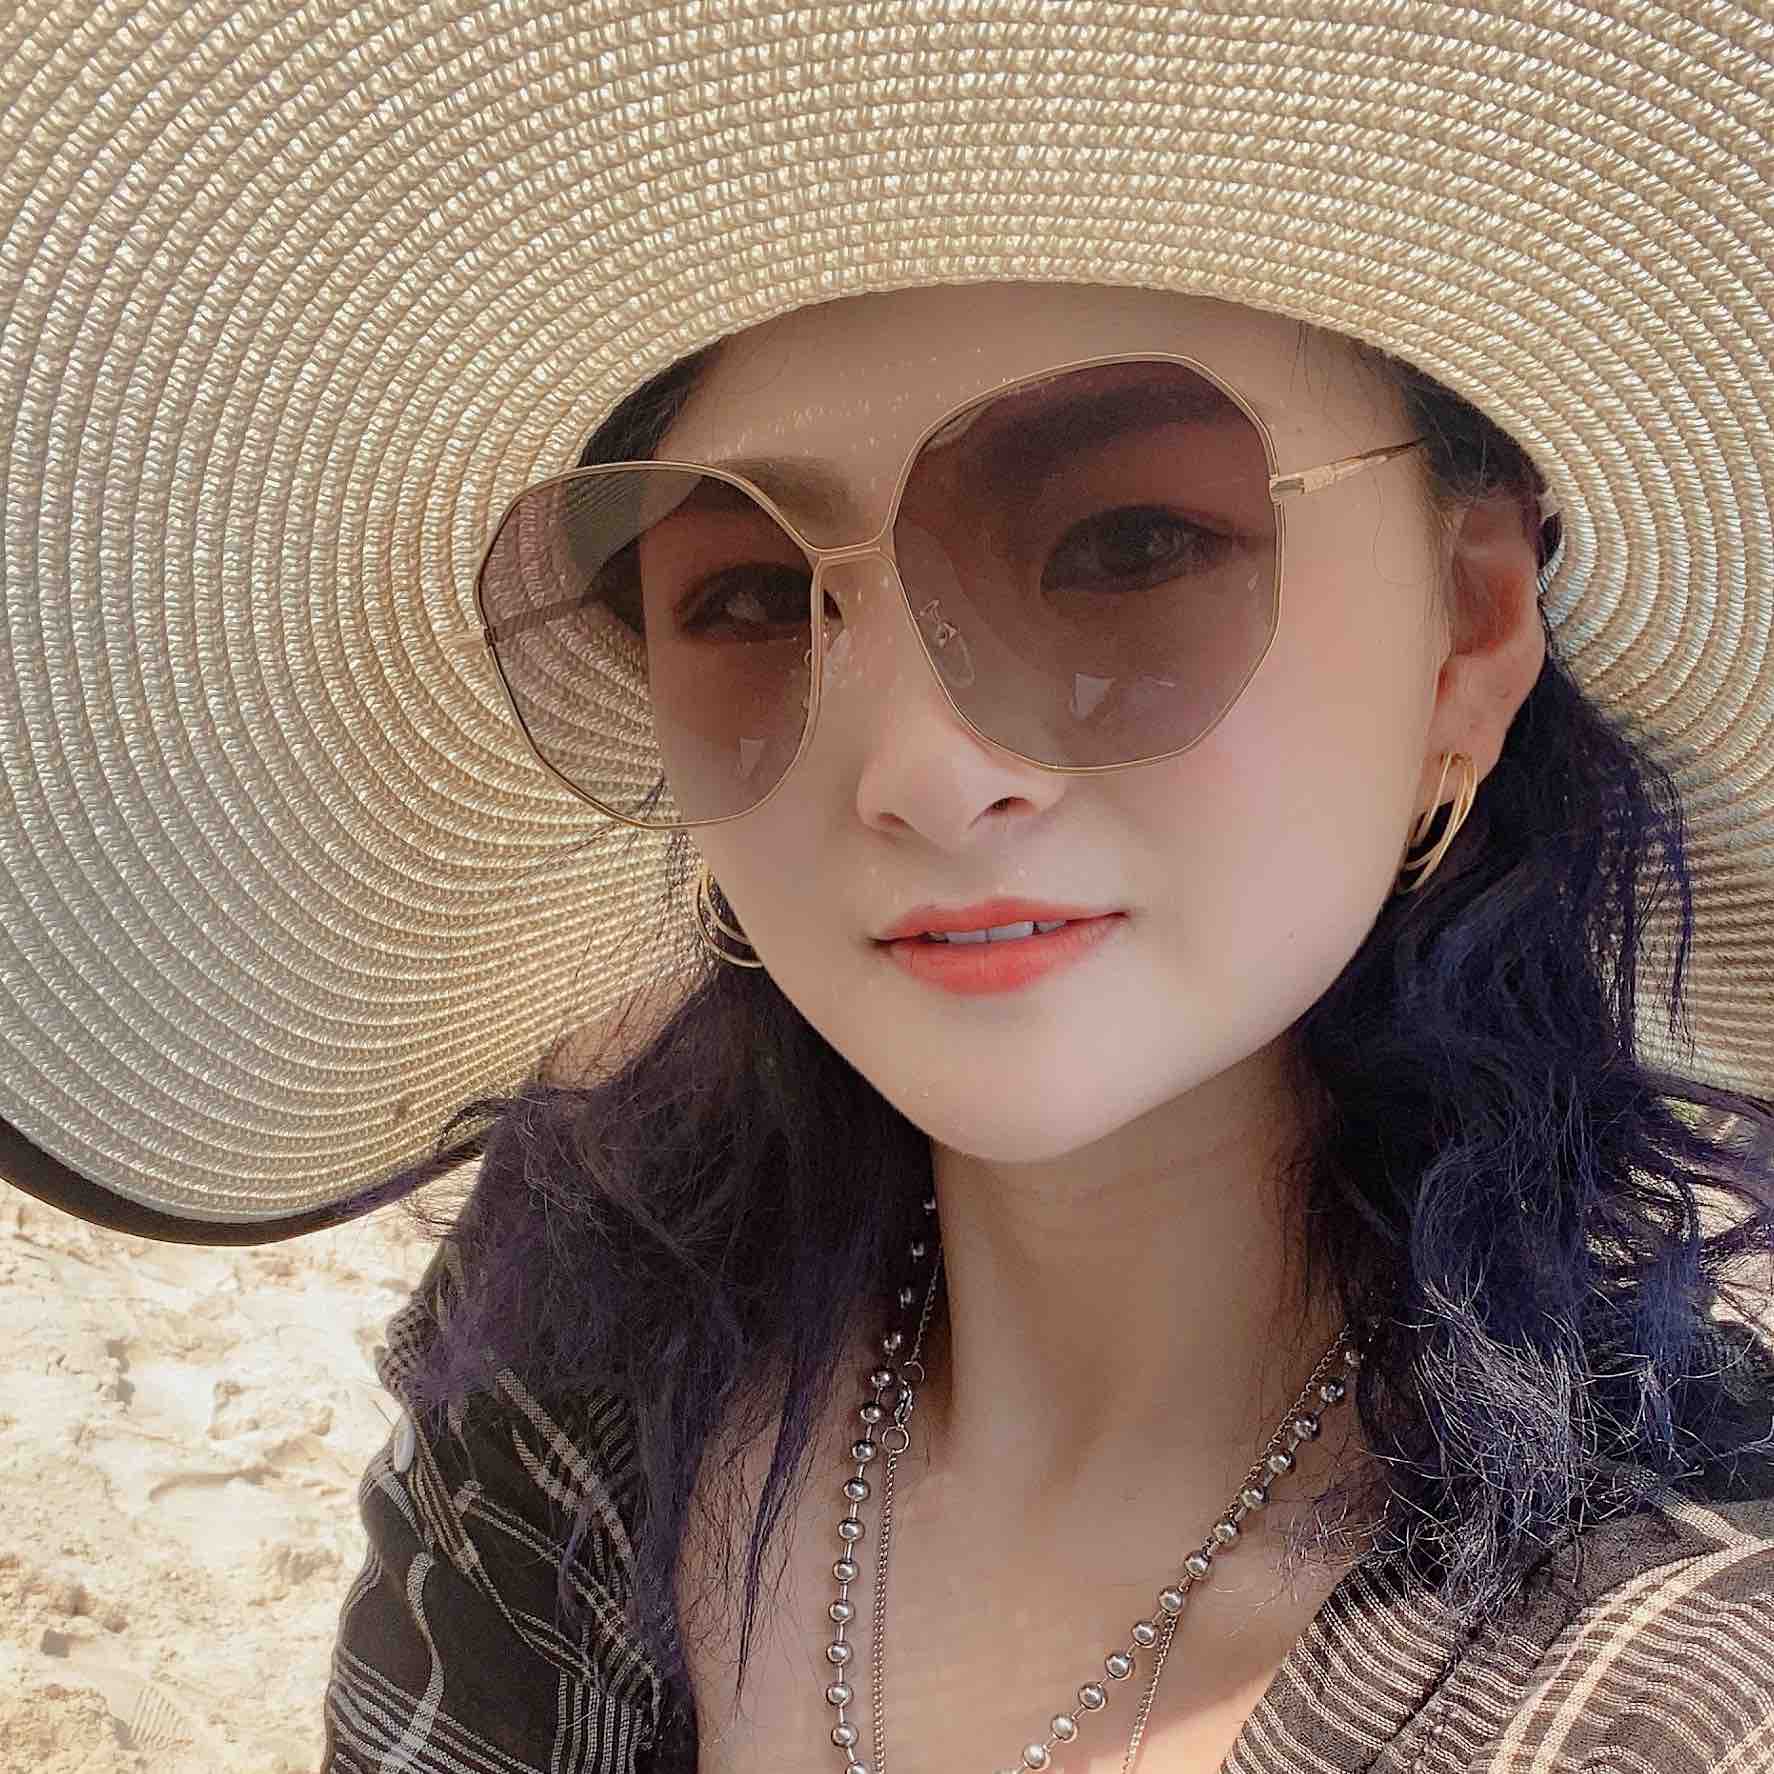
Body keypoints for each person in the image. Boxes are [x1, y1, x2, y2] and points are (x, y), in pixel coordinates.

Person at [2, 5, 1772, 1772]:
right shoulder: (567, 1391)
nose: (918, 767)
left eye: (1124, 546)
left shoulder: (1671, 1690)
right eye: (753, 596)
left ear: (1468, 626)